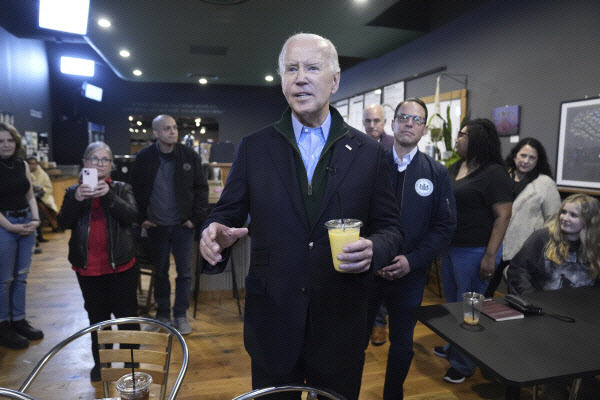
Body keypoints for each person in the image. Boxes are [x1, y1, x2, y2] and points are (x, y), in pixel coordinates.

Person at [199, 33, 402, 400]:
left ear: (335, 80)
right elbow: (225, 213)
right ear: (282, 81)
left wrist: (374, 247)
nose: (300, 77)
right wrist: (214, 232)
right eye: (291, 69)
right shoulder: (255, 147)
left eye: (312, 67)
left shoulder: (369, 153)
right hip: (272, 320)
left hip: (341, 320)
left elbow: (391, 227)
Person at [365, 97, 456, 399]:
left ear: (425, 129)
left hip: (410, 274)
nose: (408, 123)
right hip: (368, 270)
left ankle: (393, 395)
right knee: (353, 339)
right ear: (393, 123)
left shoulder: (436, 173)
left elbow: (444, 227)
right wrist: (373, 255)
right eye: (403, 117)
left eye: (416, 119)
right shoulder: (369, 165)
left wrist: (412, 261)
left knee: (402, 345)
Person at [435, 118, 512, 384]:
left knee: (470, 309)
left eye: (462, 135)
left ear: (477, 139)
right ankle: (454, 346)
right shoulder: (456, 167)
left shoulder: (494, 173)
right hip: (451, 247)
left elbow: (503, 216)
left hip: (476, 250)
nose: (456, 139)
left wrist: (490, 255)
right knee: (453, 304)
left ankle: (464, 363)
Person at [57, 142, 139, 381]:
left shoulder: (122, 188)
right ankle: (102, 364)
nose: (99, 164)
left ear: (112, 165)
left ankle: (131, 365)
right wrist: (76, 199)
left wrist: (109, 197)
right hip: (88, 267)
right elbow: (62, 223)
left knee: (127, 319)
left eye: (105, 160)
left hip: (121, 265)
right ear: (85, 163)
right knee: (97, 319)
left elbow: (132, 217)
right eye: (94, 159)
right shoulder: (73, 192)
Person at [131, 115, 208, 335]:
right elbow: (134, 191)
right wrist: (141, 219)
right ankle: (163, 315)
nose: (173, 132)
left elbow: (202, 189)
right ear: (155, 133)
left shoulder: (189, 156)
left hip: (183, 226)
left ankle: (181, 315)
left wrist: (196, 218)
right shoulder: (144, 158)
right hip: (156, 226)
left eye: (174, 128)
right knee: (161, 272)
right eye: (166, 129)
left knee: (184, 273)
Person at [485, 138, 561, 297]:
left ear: (538, 160)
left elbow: (553, 219)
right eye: (523, 155)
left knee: (519, 295)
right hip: (494, 243)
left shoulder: (545, 183)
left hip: (524, 248)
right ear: (514, 156)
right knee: (485, 291)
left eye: (532, 157)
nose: (526, 161)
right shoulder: (501, 176)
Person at [0, 122, 44, 349]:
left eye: (10, 140)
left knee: (21, 276)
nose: (6, 145)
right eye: (1, 141)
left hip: (26, 222)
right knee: (4, 280)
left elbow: (30, 197)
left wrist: (35, 221)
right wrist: (10, 226)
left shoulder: (22, 165)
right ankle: (3, 325)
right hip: (4, 225)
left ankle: (19, 320)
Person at [508, 194, 600, 294]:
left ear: (588, 220)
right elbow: (517, 271)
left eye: (573, 215)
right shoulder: (541, 238)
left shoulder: (596, 245)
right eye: (563, 212)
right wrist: (533, 299)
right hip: (542, 303)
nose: (564, 218)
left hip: (581, 305)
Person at [26, 157, 60, 241]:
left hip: (42, 196)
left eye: (33, 163)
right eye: (29, 164)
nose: (31, 166)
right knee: (39, 209)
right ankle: (39, 235)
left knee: (46, 208)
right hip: (28, 198)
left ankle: (55, 225)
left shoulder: (42, 174)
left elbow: (49, 187)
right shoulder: (24, 173)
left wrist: (41, 189)